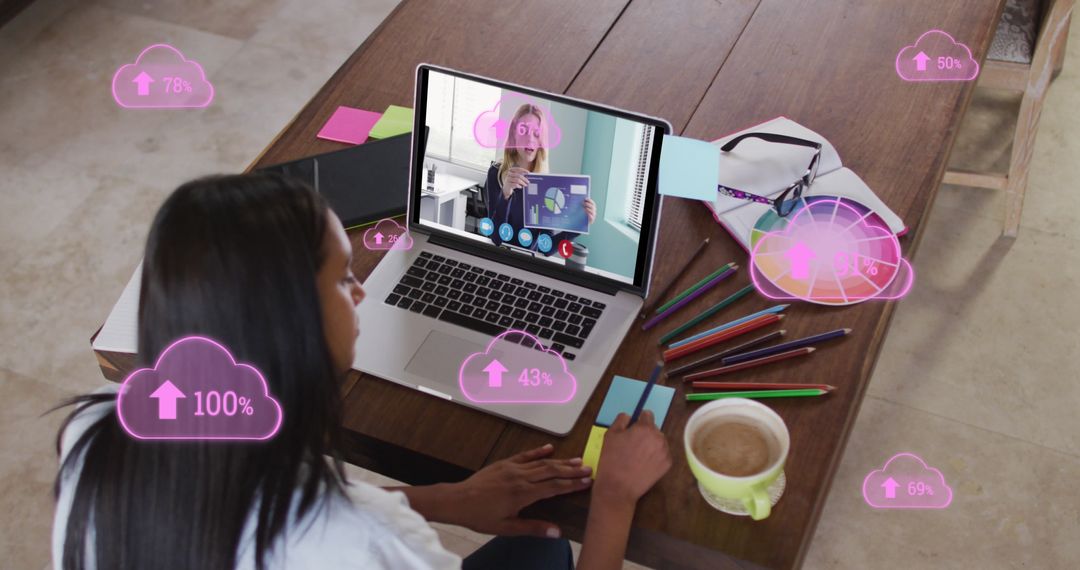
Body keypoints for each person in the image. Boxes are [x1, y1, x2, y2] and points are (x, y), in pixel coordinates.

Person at [52, 172, 671, 570]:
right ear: (293, 322)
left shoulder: (95, 435)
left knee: (537, 551)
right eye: (344, 277)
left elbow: (274, 502)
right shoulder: (368, 549)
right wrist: (613, 499)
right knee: (546, 550)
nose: (363, 293)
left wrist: (446, 500)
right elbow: (345, 528)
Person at [485, 103, 596, 253]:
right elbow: (496, 239)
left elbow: (547, 249)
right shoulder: (496, 173)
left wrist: (580, 225)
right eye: (523, 131)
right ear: (513, 134)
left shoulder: (545, 186)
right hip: (499, 257)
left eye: (536, 134)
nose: (530, 138)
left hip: (528, 264)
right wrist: (506, 193)